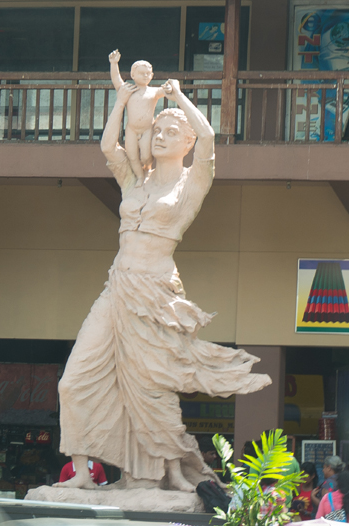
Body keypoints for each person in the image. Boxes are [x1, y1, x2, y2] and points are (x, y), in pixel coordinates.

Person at [54, 77, 271, 493]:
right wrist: (120, 104)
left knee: (153, 385)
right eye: (157, 130)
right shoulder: (137, 179)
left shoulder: (192, 183)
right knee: (73, 381)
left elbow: (209, 135)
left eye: (172, 132)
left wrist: (177, 97)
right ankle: (82, 471)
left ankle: (170, 467)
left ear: (186, 143)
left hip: (154, 292)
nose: (161, 136)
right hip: (118, 287)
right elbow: (107, 148)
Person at [109, 49, 168, 186]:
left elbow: (165, 90)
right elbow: (116, 80)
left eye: (148, 74)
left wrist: (171, 86)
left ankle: (147, 172)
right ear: (133, 75)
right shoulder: (129, 90)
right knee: (132, 156)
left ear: (152, 75)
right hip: (132, 129)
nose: (146, 76)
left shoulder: (153, 92)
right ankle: (140, 177)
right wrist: (114, 63)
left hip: (147, 129)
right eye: (142, 74)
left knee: (146, 156)